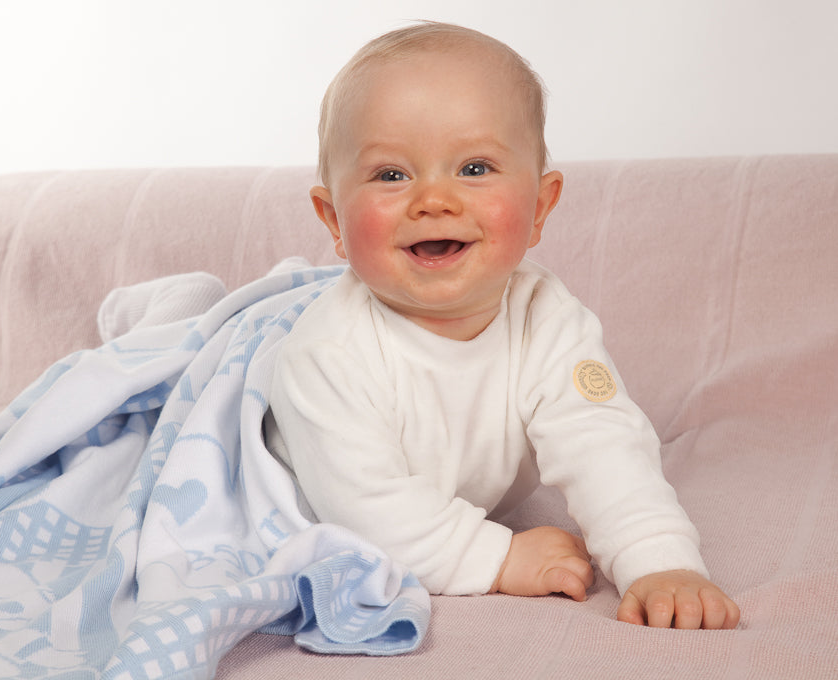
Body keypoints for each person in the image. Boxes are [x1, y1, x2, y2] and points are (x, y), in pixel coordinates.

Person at [265, 21, 740, 630]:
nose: (434, 200)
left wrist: (658, 560)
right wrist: (497, 557)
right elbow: (365, 511)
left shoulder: (546, 317)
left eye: (475, 168)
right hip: (299, 499)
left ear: (540, 208)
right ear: (333, 218)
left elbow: (601, 439)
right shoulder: (328, 353)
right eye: (391, 175)